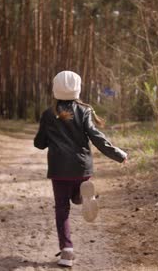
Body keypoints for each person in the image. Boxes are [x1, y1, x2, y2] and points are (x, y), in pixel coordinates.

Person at [34, 70, 128, 267]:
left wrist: (46, 136)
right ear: (78, 89)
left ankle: (67, 251)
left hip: (59, 168)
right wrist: (118, 154)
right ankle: (84, 197)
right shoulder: (84, 111)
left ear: (54, 89)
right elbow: (97, 137)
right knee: (78, 190)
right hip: (81, 166)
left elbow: (40, 144)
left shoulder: (48, 114)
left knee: (62, 208)